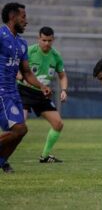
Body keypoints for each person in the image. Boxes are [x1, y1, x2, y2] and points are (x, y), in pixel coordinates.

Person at [0, 2, 51, 173]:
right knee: (19, 129)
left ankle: (2, 161)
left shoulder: (21, 44)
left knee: (21, 131)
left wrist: (41, 86)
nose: (26, 21)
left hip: (13, 92)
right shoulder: (1, 35)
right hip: (1, 92)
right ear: (12, 17)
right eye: (23, 16)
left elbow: (27, 72)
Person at [17, 26, 68, 163]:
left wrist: (63, 90)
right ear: (39, 38)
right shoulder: (29, 51)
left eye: (49, 41)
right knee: (18, 126)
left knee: (58, 124)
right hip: (24, 92)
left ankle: (45, 156)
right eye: (44, 40)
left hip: (42, 94)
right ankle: (4, 157)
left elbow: (62, 76)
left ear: (53, 40)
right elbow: (16, 70)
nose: (46, 43)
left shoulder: (56, 55)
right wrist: (21, 76)